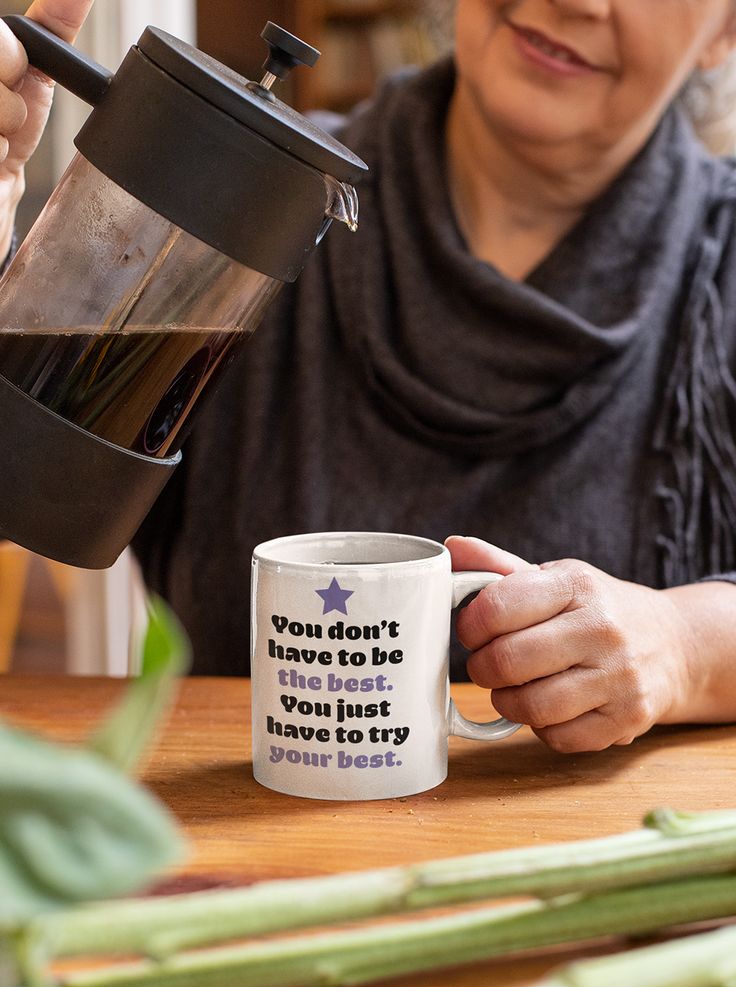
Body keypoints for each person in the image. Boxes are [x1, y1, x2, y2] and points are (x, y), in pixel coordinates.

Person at [2, 0, 736, 755]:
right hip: (248, 843)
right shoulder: (250, 199)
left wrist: (685, 644)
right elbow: (16, 482)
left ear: (724, 32)